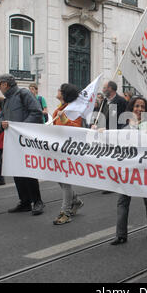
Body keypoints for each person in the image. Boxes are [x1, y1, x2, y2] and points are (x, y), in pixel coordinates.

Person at [110, 96, 147, 245]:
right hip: (128, 169)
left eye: (142, 107)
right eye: (136, 106)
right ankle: (121, 234)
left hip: (144, 169)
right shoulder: (125, 126)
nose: (139, 109)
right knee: (123, 201)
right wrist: (100, 131)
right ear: (131, 109)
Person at [0, 73, 45, 215]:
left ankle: (37, 201)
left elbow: (36, 112)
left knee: (28, 171)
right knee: (17, 171)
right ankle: (24, 201)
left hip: (25, 141)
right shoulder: (6, 100)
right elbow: (1, 119)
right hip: (12, 142)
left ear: (5, 84)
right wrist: (1, 124)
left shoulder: (23, 93)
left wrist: (21, 128)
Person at [51, 83, 85, 225]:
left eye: (60, 90)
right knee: (60, 179)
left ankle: (65, 212)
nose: (57, 91)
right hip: (58, 149)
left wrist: (64, 119)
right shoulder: (58, 109)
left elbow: (77, 129)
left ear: (65, 94)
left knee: (65, 181)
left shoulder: (73, 111)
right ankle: (75, 201)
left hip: (68, 151)